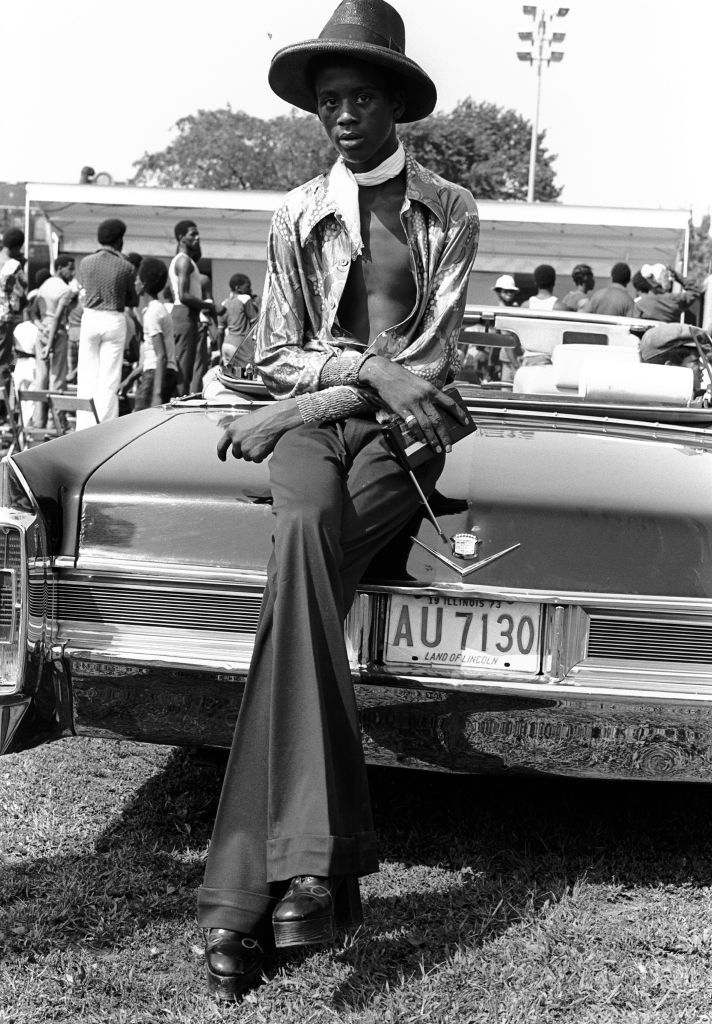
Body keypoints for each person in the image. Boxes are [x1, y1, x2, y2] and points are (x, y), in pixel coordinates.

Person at [197, 0, 479, 1002]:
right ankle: (310, 873)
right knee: (307, 528)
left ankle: (251, 900)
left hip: (403, 448)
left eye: (361, 97)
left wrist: (319, 398)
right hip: (314, 434)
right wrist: (342, 380)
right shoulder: (290, 213)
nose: (344, 116)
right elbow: (276, 350)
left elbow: (431, 366)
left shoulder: (449, 210)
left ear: (395, 102)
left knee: (295, 584)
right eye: (329, 101)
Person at [76, 218, 138, 430]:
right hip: (113, 319)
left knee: (86, 375)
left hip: (90, 317)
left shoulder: (85, 263)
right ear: (119, 240)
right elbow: (133, 300)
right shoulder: (126, 266)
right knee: (109, 379)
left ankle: (83, 427)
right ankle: (103, 428)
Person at [168, 220, 214, 395]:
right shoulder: (183, 261)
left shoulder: (187, 261)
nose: (197, 237)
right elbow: (184, 295)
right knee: (182, 373)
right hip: (184, 316)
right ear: (181, 238)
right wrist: (209, 305)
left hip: (190, 318)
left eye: (197, 233)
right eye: (192, 234)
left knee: (188, 371)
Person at [31, 254, 76, 426]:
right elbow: (57, 318)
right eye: (70, 268)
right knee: (57, 379)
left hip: (42, 331)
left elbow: (32, 312)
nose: (72, 273)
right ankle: (56, 423)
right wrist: (50, 343)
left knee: (41, 379)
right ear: (60, 268)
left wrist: (40, 326)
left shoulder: (44, 286)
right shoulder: (65, 290)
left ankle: (38, 423)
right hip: (57, 335)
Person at [132, 258, 178, 409]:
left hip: (155, 375)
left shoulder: (152, 313)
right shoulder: (158, 309)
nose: (134, 283)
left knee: (139, 423)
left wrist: (157, 394)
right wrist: (127, 382)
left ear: (144, 284)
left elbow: (161, 356)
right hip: (160, 372)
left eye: (137, 279)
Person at [0, 228, 28, 393]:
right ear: (17, 247)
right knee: (6, 360)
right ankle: (3, 409)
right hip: (6, 318)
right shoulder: (14, 265)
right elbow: (22, 291)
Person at [218, 272, 260, 369]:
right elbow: (255, 323)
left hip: (226, 345)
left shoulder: (224, 303)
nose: (250, 290)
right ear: (238, 288)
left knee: (228, 375)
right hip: (239, 345)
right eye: (247, 287)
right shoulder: (245, 299)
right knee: (243, 376)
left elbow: (220, 332)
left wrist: (221, 353)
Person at [636, 263, 701, 323]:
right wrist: (677, 276)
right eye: (667, 277)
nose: (670, 279)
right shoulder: (674, 299)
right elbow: (695, 290)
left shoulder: (640, 305)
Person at [491, 274, 521, 383]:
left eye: (511, 291)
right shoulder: (501, 311)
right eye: (505, 291)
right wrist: (516, 364)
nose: (509, 294)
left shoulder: (514, 309)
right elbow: (506, 340)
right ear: (499, 292)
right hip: (510, 359)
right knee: (507, 390)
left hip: (515, 356)